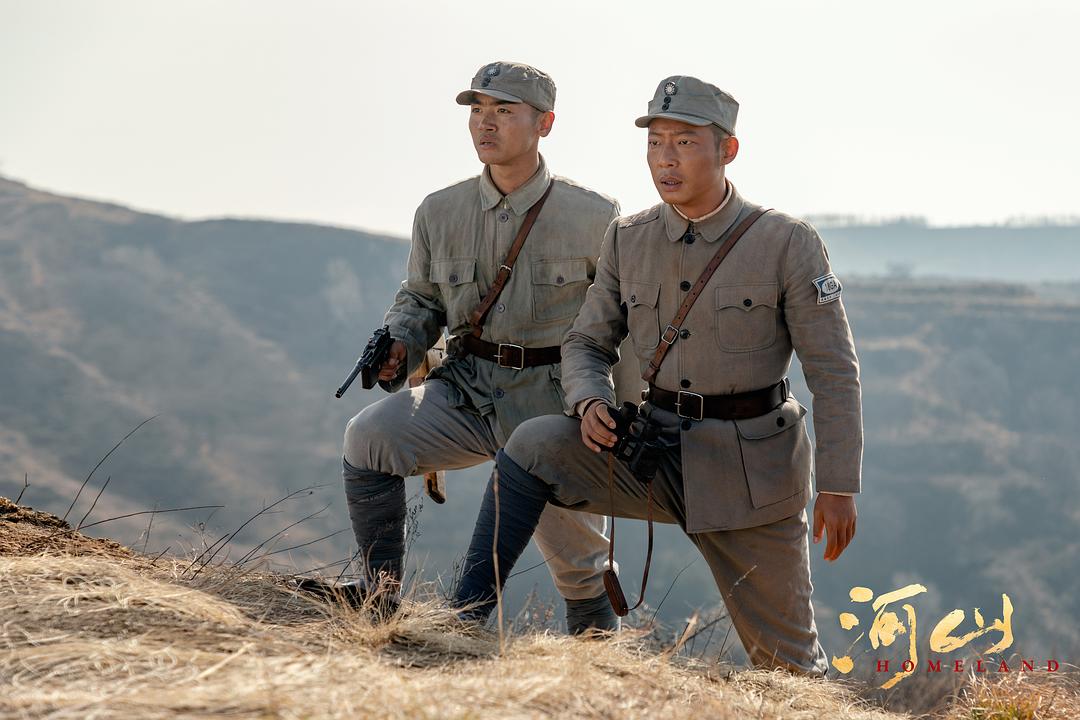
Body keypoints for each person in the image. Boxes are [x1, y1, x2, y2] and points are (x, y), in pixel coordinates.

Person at [453, 75, 862, 675]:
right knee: (532, 444)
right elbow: (586, 341)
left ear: (728, 150)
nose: (665, 159)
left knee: (790, 666)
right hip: (652, 450)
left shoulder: (787, 242)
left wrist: (839, 486)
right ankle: (461, 623)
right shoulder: (629, 237)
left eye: (685, 142)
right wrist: (590, 401)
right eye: (655, 142)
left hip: (750, 475)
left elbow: (833, 371)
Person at [341, 61, 624, 633]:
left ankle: (598, 667)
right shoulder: (439, 211)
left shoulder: (597, 216)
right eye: (476, 110)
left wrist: (615, 410)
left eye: (503, 111)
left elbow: (623, 320)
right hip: (467, 388)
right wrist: (400, 342)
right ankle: (380, 600)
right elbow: (421, 298)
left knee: (580, 566)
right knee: (369, 437)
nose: (484, 123)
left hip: (555, 403)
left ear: (545, 124)